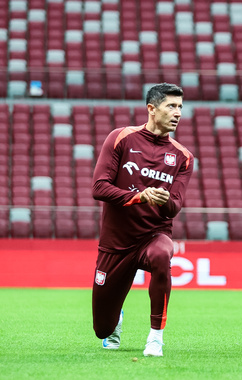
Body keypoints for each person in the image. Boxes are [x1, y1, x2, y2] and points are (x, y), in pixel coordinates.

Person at [91, 83, 194, 357]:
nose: (178, 113)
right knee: (102, 328)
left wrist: (164, 200)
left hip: (153, 235)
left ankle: (156, 338)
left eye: (180, 107)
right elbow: (98, 188)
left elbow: (174, 208)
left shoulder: (183, 157)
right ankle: (115, 320)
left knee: (162, 255)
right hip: (116, 243)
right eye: (171, 106)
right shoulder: (120, 138)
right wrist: (140, 197)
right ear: (151, 108)